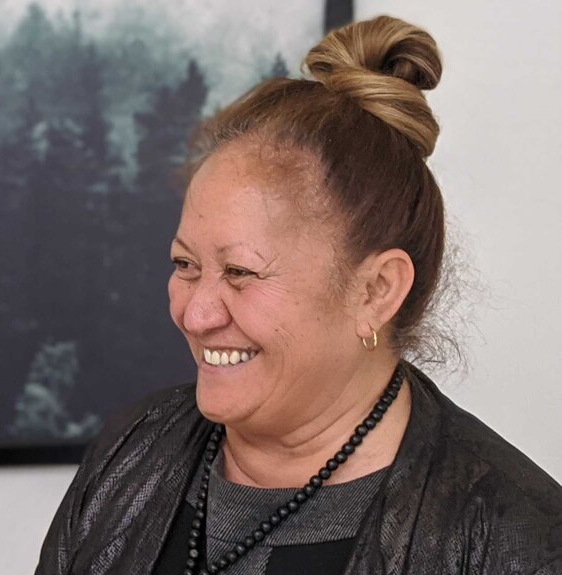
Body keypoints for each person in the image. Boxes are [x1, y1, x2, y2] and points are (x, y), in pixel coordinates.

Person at [35, 15, 562, 575]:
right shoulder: (131, 452)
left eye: (240, 272)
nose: (196, 312)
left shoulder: (514, 540)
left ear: (377, 291)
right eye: (185, 264)